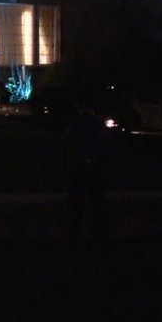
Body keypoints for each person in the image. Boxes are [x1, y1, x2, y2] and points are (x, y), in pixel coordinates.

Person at [64, 103, 114, 245]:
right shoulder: (97, 124)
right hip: (94, 167)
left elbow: (70, 145)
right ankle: (99, 231)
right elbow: (105, 145)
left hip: (80, 167)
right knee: (96, 201)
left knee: (77, 202)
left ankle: (76, 231)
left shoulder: (76, 124)